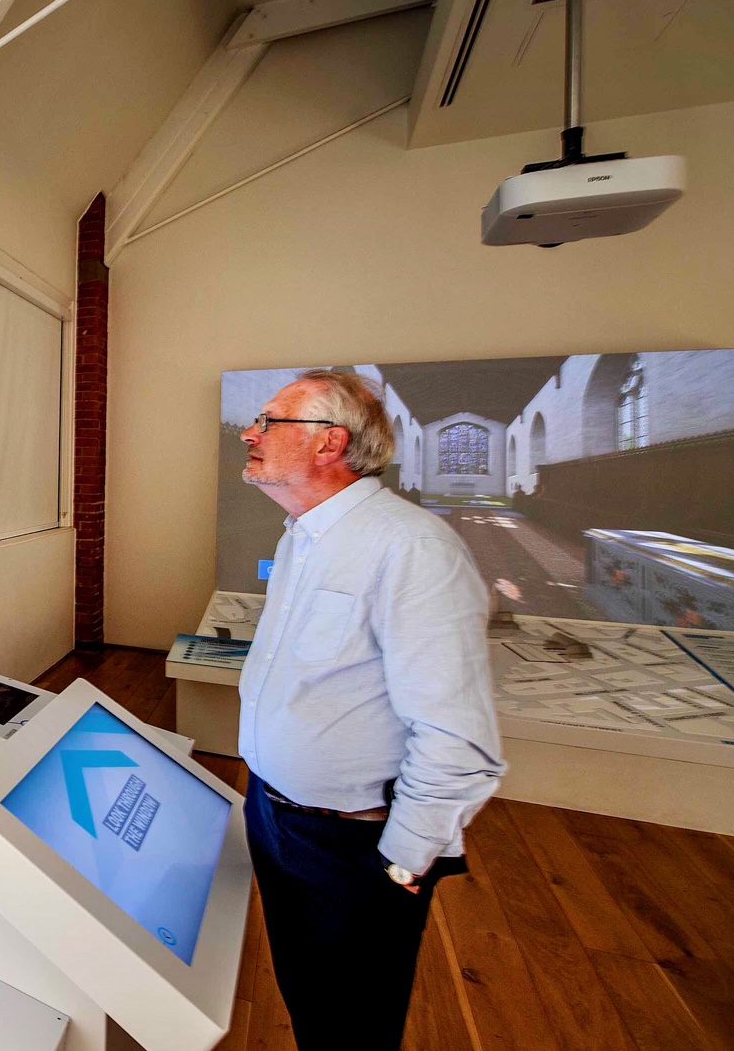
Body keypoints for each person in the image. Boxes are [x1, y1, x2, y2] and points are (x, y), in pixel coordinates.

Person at [236, 369, 504, 1050]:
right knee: (311, 1001)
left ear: (329, 444)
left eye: (270, 422)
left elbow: (456, 739)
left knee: (354, 1023)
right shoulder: (302, 534)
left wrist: (403, 865)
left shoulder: (412, 548)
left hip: (354, 845)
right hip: (275, 813)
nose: (249, 434)